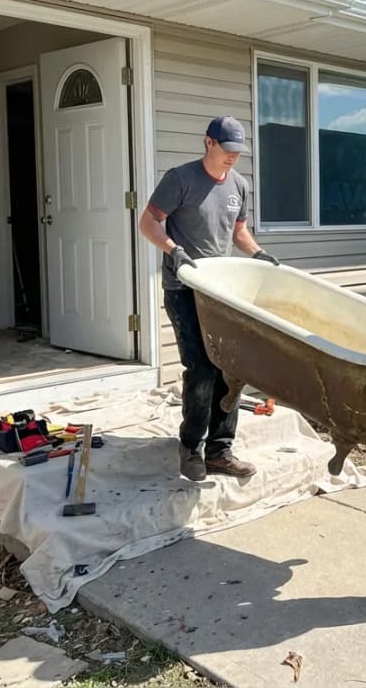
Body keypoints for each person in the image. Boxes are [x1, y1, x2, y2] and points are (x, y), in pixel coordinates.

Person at [138, 115, 280, 482]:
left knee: (231, 369)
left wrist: (257, 253)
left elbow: (239, 231)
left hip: (221, 293)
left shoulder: (239, 185)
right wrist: (174, 250)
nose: (233, 157)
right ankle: (190, 447)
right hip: (185, 290)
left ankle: (220, 451)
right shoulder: (180, 178)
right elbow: (148, 222)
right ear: (209, 143)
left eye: (239, 151)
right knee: (201, 369)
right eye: (227, 149)